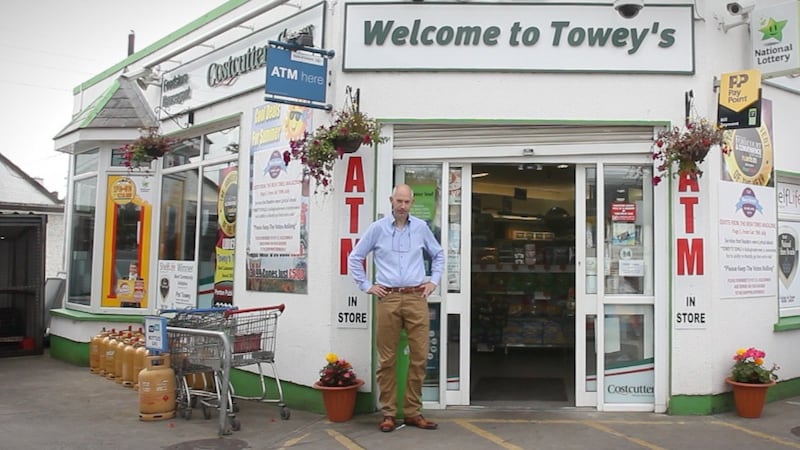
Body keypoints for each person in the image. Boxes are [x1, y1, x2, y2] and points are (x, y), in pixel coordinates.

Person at [348, 184, 444, 432]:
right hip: (388, 297)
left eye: (406, 202)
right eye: (398, 201)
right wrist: (367, 286)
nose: (402, 206)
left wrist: (433, 281)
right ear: (391, 200)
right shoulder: (377, 229)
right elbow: (355, 257)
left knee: (420, 357)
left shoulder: (421, 228)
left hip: (415, 297)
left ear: (412, 203)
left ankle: (413, 412)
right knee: (387, 359)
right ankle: (388, 413)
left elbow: (439, 254)